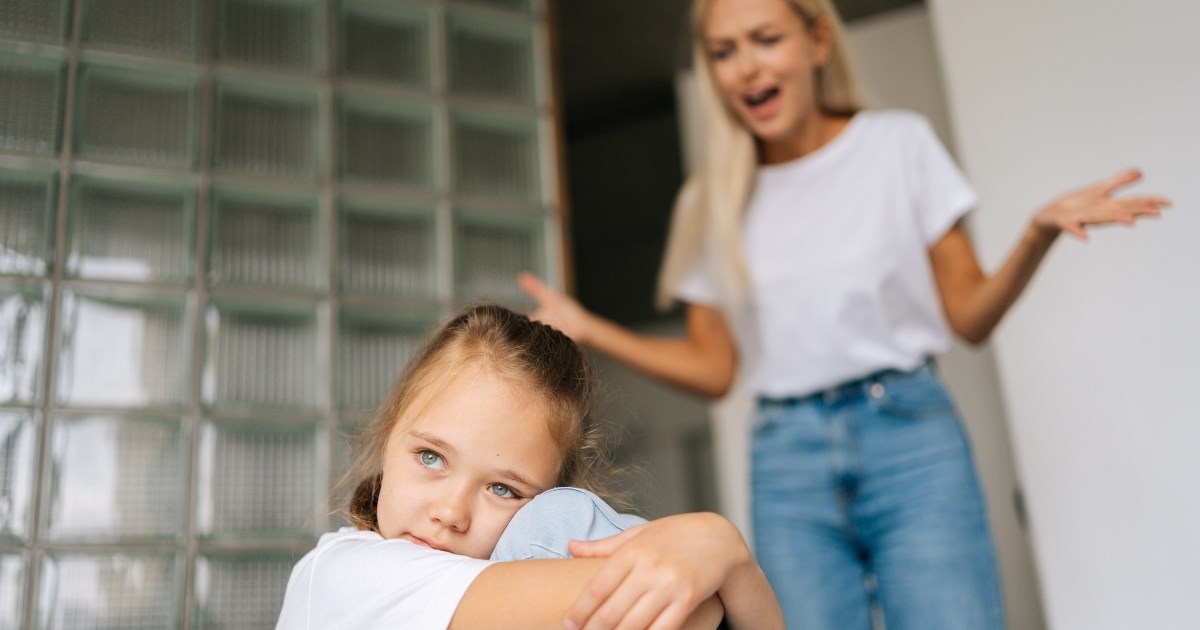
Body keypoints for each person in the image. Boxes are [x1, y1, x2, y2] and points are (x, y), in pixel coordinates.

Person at [517, 0, 1173, 627]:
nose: (746, 67)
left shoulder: (898, 147)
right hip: (787, 460)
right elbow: (714, 368)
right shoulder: (710, 200)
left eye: (766, 40)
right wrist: (591, 328)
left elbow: (970, 317)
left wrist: (1036, 234)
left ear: (817, 42)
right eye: (723, 51)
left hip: (912, 439)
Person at [275, 304, 784, 630]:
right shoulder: (342, 575)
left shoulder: (532, 547)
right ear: (388, 436)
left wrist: (730, 556)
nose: (451, 512)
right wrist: (721, 556)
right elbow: (695, 611)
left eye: (503, 489)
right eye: (431, 457)